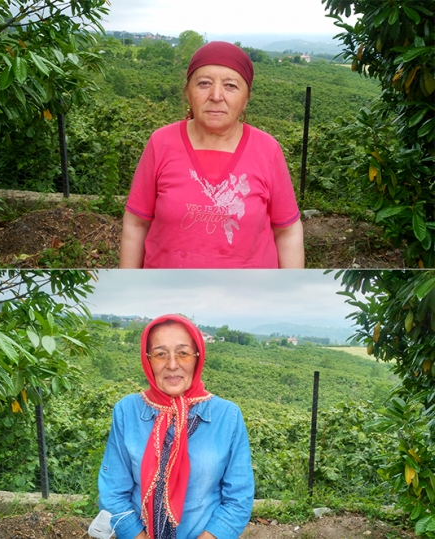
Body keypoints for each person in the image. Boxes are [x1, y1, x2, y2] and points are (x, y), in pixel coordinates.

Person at [119, 41, 304, 268]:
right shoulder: (161, 143)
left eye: (231, 86)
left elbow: (287, 231)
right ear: (187, 92)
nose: (216, 95)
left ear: (247, 98)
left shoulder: (267, 149)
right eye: (204, 83)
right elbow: (136, 224)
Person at [96, 314, 254, 539]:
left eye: (183, 353)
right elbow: (113, 492)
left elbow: (238, 499)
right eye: (161, 354)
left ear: (197, 358)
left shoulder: (227, 416)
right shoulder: (127, 412)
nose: (172, 364)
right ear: (148, 359)